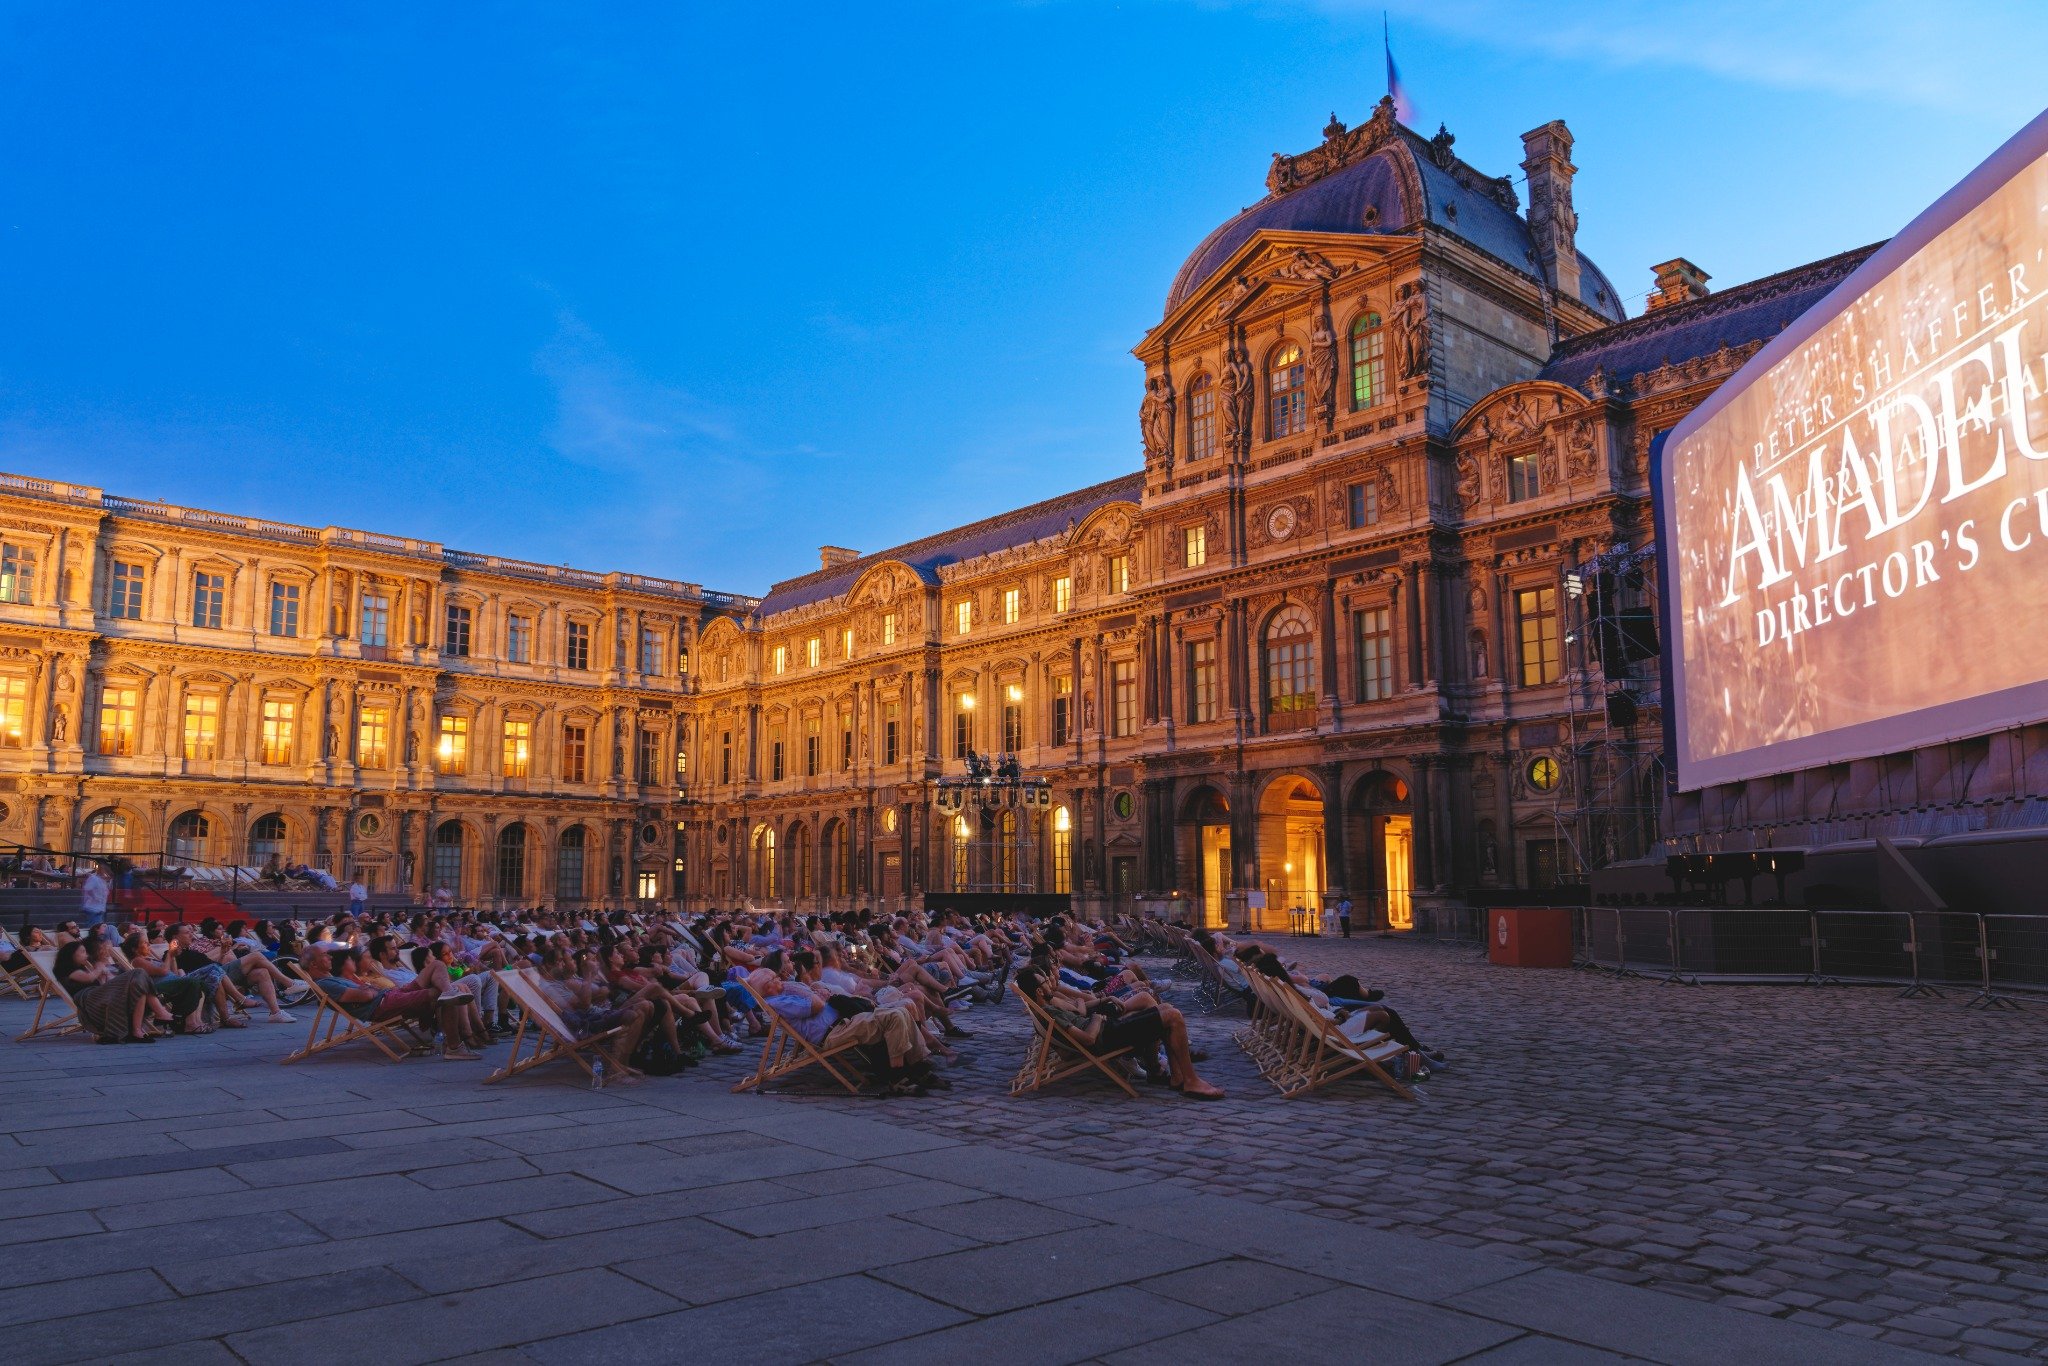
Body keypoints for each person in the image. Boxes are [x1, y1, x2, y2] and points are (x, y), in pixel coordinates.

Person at [1015, 963, 1223, 1099]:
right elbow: (1087, 1039)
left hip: (1109, 1030)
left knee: (1165, 1009)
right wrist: (1097, 1018)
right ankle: (1191, 1080)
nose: (1051, 982)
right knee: (1173, 1016)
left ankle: (1178, 1076)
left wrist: (1100, 1007)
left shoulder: (1047, 1008)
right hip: (1107, 1036)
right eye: (1045, 981)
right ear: (1040, 991)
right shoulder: (1050, 1011)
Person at [54, 937, 167, 1044]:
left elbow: (102, 986)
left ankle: (137, 1031)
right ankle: (161, 1013)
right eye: (83, 952)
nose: (86, 955)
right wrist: (100, 966)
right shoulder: (69, 971)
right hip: (88, 1001)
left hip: (97, 997)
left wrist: (103, 977)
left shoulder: (84, 968)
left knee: (140, 987)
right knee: (138, 972)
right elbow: (90, 978)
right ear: (71, 954)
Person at [78, 863, 111, 937]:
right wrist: (96, 897)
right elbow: (88, 889)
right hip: (93, 909)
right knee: (95, 930)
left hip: (99, 909)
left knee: (99, 930)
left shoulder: (103, 881)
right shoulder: (94, 878)